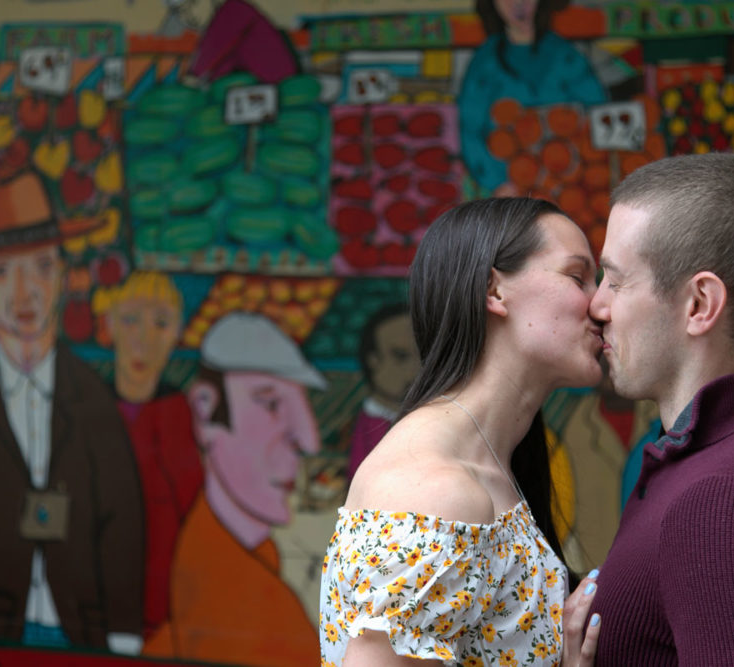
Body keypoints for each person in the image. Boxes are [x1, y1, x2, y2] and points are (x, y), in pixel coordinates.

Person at [319, 197, 604, 666]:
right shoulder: (432, 492)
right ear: (494, 290)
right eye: (577, 277)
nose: (602, 302)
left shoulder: (486, 465)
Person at [583, 153, 734, 664]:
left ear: (699, 305)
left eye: (615, 280)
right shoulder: (707, 466)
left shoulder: (728, 501)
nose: (597, 306)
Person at [0, 170, 144, 653]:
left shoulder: (91, 396)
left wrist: (123, 634)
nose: (24, 293)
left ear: (65, 276)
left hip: (78, 628)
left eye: (41, 267)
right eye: (2, 271)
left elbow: (120, 523)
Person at [143, 311, 322, 665]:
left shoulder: (254, 554)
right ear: (206, 411)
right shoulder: (222, 588)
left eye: (302, 405)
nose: (308, 439)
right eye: (271, 404)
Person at [103, 271, 204, 640]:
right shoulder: (88, 409)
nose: (142, 340)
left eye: (160, 324)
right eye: (130, 320)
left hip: (160, 596)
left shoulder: (177, 412)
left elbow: (189, 506)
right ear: (109, 325)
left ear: (177, 334)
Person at [458, 0, 606, 194]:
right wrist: (499, 184)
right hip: (511, 194)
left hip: (567, 186)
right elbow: (470, 130)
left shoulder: (565, 55)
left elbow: (598, 112)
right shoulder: (485, 62)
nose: (518, 2)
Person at [346, 303, 419, 480]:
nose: (415, 370)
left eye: (424, 356)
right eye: (401, 357)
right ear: (373, 360)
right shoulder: (367, 426)